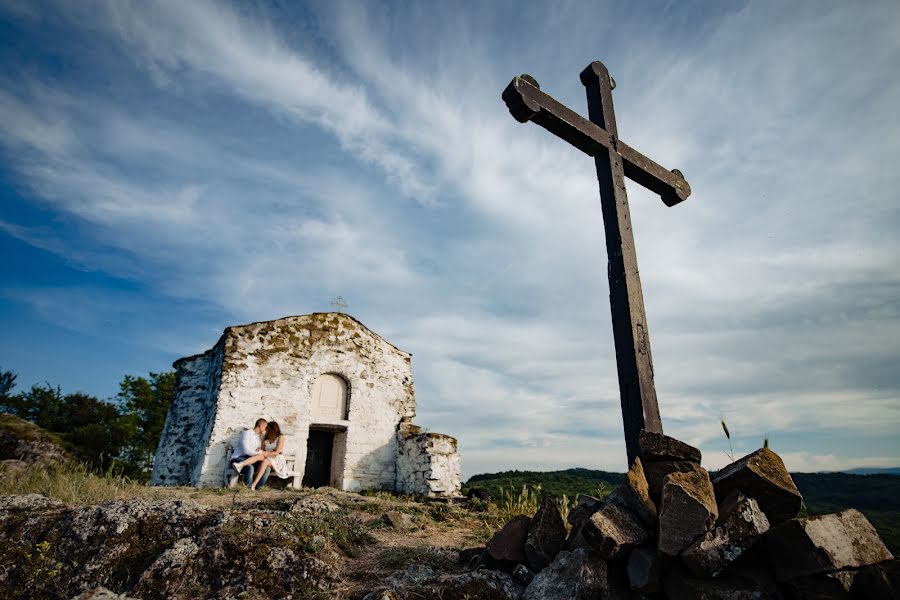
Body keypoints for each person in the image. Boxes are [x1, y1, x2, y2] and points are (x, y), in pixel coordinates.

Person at [232, 421, 286, 491]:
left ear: (272, 429)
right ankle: (255, 487)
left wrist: (264, 452)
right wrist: (260, 450)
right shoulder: (265, 439)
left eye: (267, 429)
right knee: (264, 461)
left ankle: (253, 485)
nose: (265, 430)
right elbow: (262, 450)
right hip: (267, 458)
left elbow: (277, 452)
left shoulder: (281, 437)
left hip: (276, 459)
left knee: (265, 461)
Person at [229, 418, 270, 489]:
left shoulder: (259, 438)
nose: (266, 429)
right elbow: (246, 451)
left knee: (267, 468)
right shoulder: (247, 433)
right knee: (250, 467)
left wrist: (260, 450)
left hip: (250, 459)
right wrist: (260, 452)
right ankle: (248, 488)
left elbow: (257, 451)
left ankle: (258, 488)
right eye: (265, 427)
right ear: (260, 425)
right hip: (238, 458)